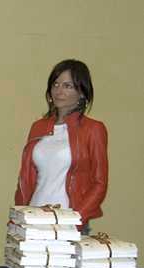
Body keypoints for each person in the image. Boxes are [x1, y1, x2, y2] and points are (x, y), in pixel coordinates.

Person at [15, 59, 108, 234]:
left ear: (82, 92)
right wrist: (18, 218)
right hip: (34, 218)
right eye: (56, 84)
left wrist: (75, 219)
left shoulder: (93, 129)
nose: (59, 91)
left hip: (68, 222)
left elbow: (99, 183)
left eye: (68, 86)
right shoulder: (38, 127)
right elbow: (25, 178)